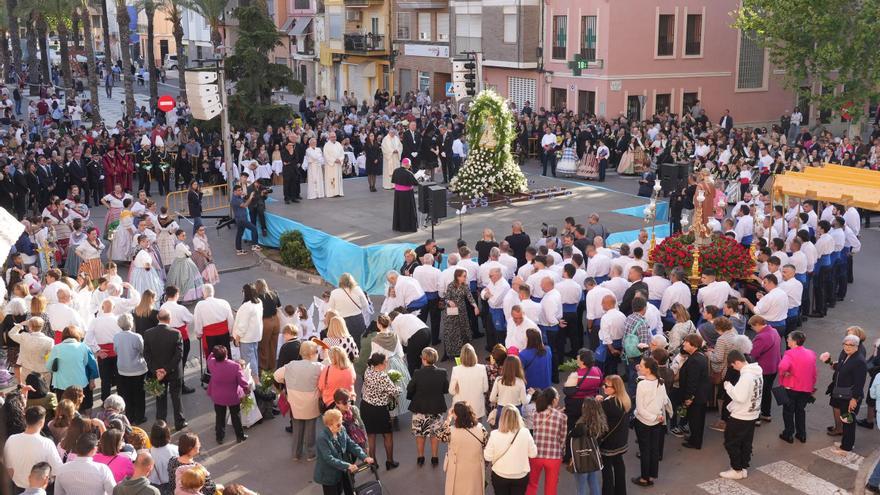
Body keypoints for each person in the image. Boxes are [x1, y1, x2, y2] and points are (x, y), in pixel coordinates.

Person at [275, 339, 324, 460]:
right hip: (311, 403)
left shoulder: (291, 365)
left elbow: (276, 375)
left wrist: (287, 381)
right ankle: (310, 453)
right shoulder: (318, 366)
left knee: (297, 429)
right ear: (312, 353)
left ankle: (295, 454)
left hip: (295, 402)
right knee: (310, 430)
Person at [719, 349, 763, 480]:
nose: (733, 368)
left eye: (733, 365)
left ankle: (736, 469)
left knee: (731, 442)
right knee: (746, 442)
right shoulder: (757, 372)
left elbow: (739, 397)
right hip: (752, 413)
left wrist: (728, 386)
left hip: (741, 415)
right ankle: (743, 467)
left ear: (737, 362)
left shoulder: (746, 376)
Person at [823, 334, 867, 454]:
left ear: (857, 347)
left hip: (850, 396)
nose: (847, 347)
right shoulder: (845, 354)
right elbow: (841, 368)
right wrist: (831, 363)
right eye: (845, 344)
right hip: (842, 394)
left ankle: (847, 447)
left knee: (848, 421)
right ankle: (845, 442)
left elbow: (859, 383)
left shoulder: (859, 361)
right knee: (845, 419)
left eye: (851, 345)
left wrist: (854, 399)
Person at [143, 310, 187, 430]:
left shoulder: (148, 333)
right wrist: (166, 370)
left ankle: (161, 424)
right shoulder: (176, 333)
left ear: (158, 318)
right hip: (174, 372)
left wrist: (156, 370)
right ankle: (179, 422)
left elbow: (146, 355)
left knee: (160, 399)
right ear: (169, 319)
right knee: (176, 397)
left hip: (157, 373)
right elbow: (179, 355)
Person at [314, 409, 375, 495]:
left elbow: (351, 445)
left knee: (350, 490)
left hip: (344, 471)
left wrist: (364, 457)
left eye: (341, 422)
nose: (341, 426)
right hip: (329, 474)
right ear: (329, 425)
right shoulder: (322, 438)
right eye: (338, 424)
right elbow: (329, 458)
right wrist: (348, 465)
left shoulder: (341, 429)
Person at [2, 406, 63, 492]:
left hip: (17, 489)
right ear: (42, 422)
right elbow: (58, 470)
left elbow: (8, 467)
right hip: (39, 489)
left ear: (25, 420)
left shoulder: (11, 439)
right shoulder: (47, 443)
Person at [631, 356, 670, 487]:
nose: (639, 367)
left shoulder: (642, 384)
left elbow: (640, 409)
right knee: (654, 450)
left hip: (643, 422)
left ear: (647, 369)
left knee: (645, 451)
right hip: (658, 421)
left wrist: (652, 417)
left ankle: (644, 478)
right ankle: (652, 476)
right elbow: (664, 401)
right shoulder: (661, 382)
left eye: (641, 366)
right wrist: (657, 416)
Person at [407, 347, 449, 468]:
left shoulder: (417, 373)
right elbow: (445, 390)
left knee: (420, 434)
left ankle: (420, 457)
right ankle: (434, 458)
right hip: (436, 408)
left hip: (420, 408)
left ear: (424, 359)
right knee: (434, 434)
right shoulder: (442, 372)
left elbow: (409, 388)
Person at [484, 405, 538, 495]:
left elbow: (487, 457)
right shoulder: (525, 432)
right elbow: (533, 454)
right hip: (520, 475)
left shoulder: (494, 434)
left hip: (500, 474)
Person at [438, 401, 488, 495]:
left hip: (456, 469)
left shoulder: (450, 431)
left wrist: (448, 418)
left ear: (456, 415)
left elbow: (439, 435)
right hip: (475, 469)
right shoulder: (481, 429)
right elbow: (486, 446)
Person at [361, 353, 400, 469]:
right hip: (380, 409)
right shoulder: (383, 377)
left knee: (371, 436)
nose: (387, 363)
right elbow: (394, 392)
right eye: (385, 362)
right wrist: (398, 387)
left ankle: (373, 464)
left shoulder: (368, 370)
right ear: (381, 364)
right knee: (387, 435)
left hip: (366, 406)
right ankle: (389, 461)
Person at [526, 388, 567, 495]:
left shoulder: (536, 414)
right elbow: (562, 439)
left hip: (536, 455)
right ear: (553, 400)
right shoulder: (562, 417)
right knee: (551, 487)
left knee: (532, 484)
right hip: (553, 456)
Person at [47, 325, 97, 412]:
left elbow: (48, 367)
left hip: (61, 385)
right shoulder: (84, 347)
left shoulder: (56, 348)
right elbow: (89, 363)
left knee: (64, 410)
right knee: (81, 410)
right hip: (80, 384)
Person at [206, 345, 249, 444]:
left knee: (220, 417)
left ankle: (219, 437)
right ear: (226, 354)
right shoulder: (235, 366)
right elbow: (242, 382)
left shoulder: (212, 363)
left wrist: (214, 352)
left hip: (217, 395)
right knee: (236, 416)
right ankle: (240, 436)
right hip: (232, 396)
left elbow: (209, 357)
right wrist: (246, 390)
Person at [114, 313, 148, 425]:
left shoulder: (116, 336)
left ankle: (130, 416)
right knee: (139, 394)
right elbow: (143, 351)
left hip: (123, 369)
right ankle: (140, 416)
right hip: (137, 369)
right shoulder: (136, 337)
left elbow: (116, 350)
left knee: (127, 394)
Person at [569, 397, 608, 495]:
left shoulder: (581, 425)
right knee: (593, 481)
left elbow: (571, 434)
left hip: (581, 458)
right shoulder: (600, 422)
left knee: (581, 487)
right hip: (593, 457)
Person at [679, 333, 710, 449]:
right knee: (697, 420)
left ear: (693, 344)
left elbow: (693, 381)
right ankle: (695, 438)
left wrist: (688, 398)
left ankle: (695, 442)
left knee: (695, 420)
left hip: (696, 397)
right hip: (700, 395)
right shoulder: (699, 356)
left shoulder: (694, 360)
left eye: (686, 342)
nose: (683, 344)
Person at [748, 315, 780, 423]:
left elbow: (753, 353)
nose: (753, 329)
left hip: (763, 369)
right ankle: (766, 414)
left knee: (758, 393)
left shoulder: (761, 337)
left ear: (757, 324)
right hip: (774, 367)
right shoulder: (774, 331)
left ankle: (756, 418)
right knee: (767, 391)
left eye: (753, 327)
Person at [443, 268, 479, 358]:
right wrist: (449, 302)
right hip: (452, 312)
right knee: (452, 331)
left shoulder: (465, 286)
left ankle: (464, 351)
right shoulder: (451, 285)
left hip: (462, 311)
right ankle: (450, 352)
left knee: (463, 330)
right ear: (457, 277)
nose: (465, 278)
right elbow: (446, 298)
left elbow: (470, 297)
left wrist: (475, 306)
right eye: (464, 276)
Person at [448, 343, 489, 419]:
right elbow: (485, 388)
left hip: (461, 409)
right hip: (477, 407)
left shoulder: (456, 370)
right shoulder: (482, 368)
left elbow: (451, 391)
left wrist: (457, 389)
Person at [327, 273, 370, 343]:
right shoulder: (357, 289)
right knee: (358, 343)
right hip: (357, 319)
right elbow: (365, 304)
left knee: (343, 343)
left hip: (342, 321)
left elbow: (331, 309)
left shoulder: (334, 293)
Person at [233, 284, 263, 381]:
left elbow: (243, 325)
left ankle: (255, 381)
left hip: (246, 338)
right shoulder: (259, 302)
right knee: (254, 358)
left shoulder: (246, 306)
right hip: (255, 336)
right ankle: (256, 378)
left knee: (249, 362)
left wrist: (237, 338)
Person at [166, 230, 204, 303]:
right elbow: (189, 253)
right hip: (183, 262)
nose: (184, 237)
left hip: (178, 261)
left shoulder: (178, 243)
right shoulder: (180, 245)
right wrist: (188, 249)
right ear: (178, 236)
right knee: (186, 279)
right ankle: (187, 297)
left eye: (185, 235)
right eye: (182, 235)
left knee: (178, 278)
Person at [255, 279, 282, 371]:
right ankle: (272, 365)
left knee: (263, 345)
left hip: (265, 322)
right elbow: (279, 307)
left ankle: (263, 367)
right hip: (275, 320)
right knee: (273, 344)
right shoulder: (274, 293)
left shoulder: (257, 297)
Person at [318, 346, 357, 411]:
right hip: (348, 400)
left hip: (331, 403)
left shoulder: (327, 369)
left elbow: (321, 386)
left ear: (332, 358)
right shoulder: (351, 367)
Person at [148, 421, 179, 492]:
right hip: (174, 485)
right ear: (167, 434)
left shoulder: (148, 454)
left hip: (156, 488)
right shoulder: (176, 450)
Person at [230, 185, 261, 255]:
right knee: (254, 228)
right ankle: (254, 245)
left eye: (241, 190)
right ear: (234, 191)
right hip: (242, 219)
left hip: (240, 219)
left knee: (239, 234)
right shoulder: (235, 200)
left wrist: (246, 196)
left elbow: (245, 201)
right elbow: (245, 205)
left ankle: (239, 250)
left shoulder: (238, 197)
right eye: (239, 190)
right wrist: (250, 197)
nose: (241, 191)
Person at [391, 158, 419, 232]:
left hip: (398, 194)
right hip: (407, 194)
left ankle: (398, 227)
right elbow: (416, 183)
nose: (410, 166)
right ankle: (408, 227)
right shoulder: (408, 173)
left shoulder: (396, 171)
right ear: (407, 164)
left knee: (399, 210)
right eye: (409, 164)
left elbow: (393, 181)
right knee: (408, 211)